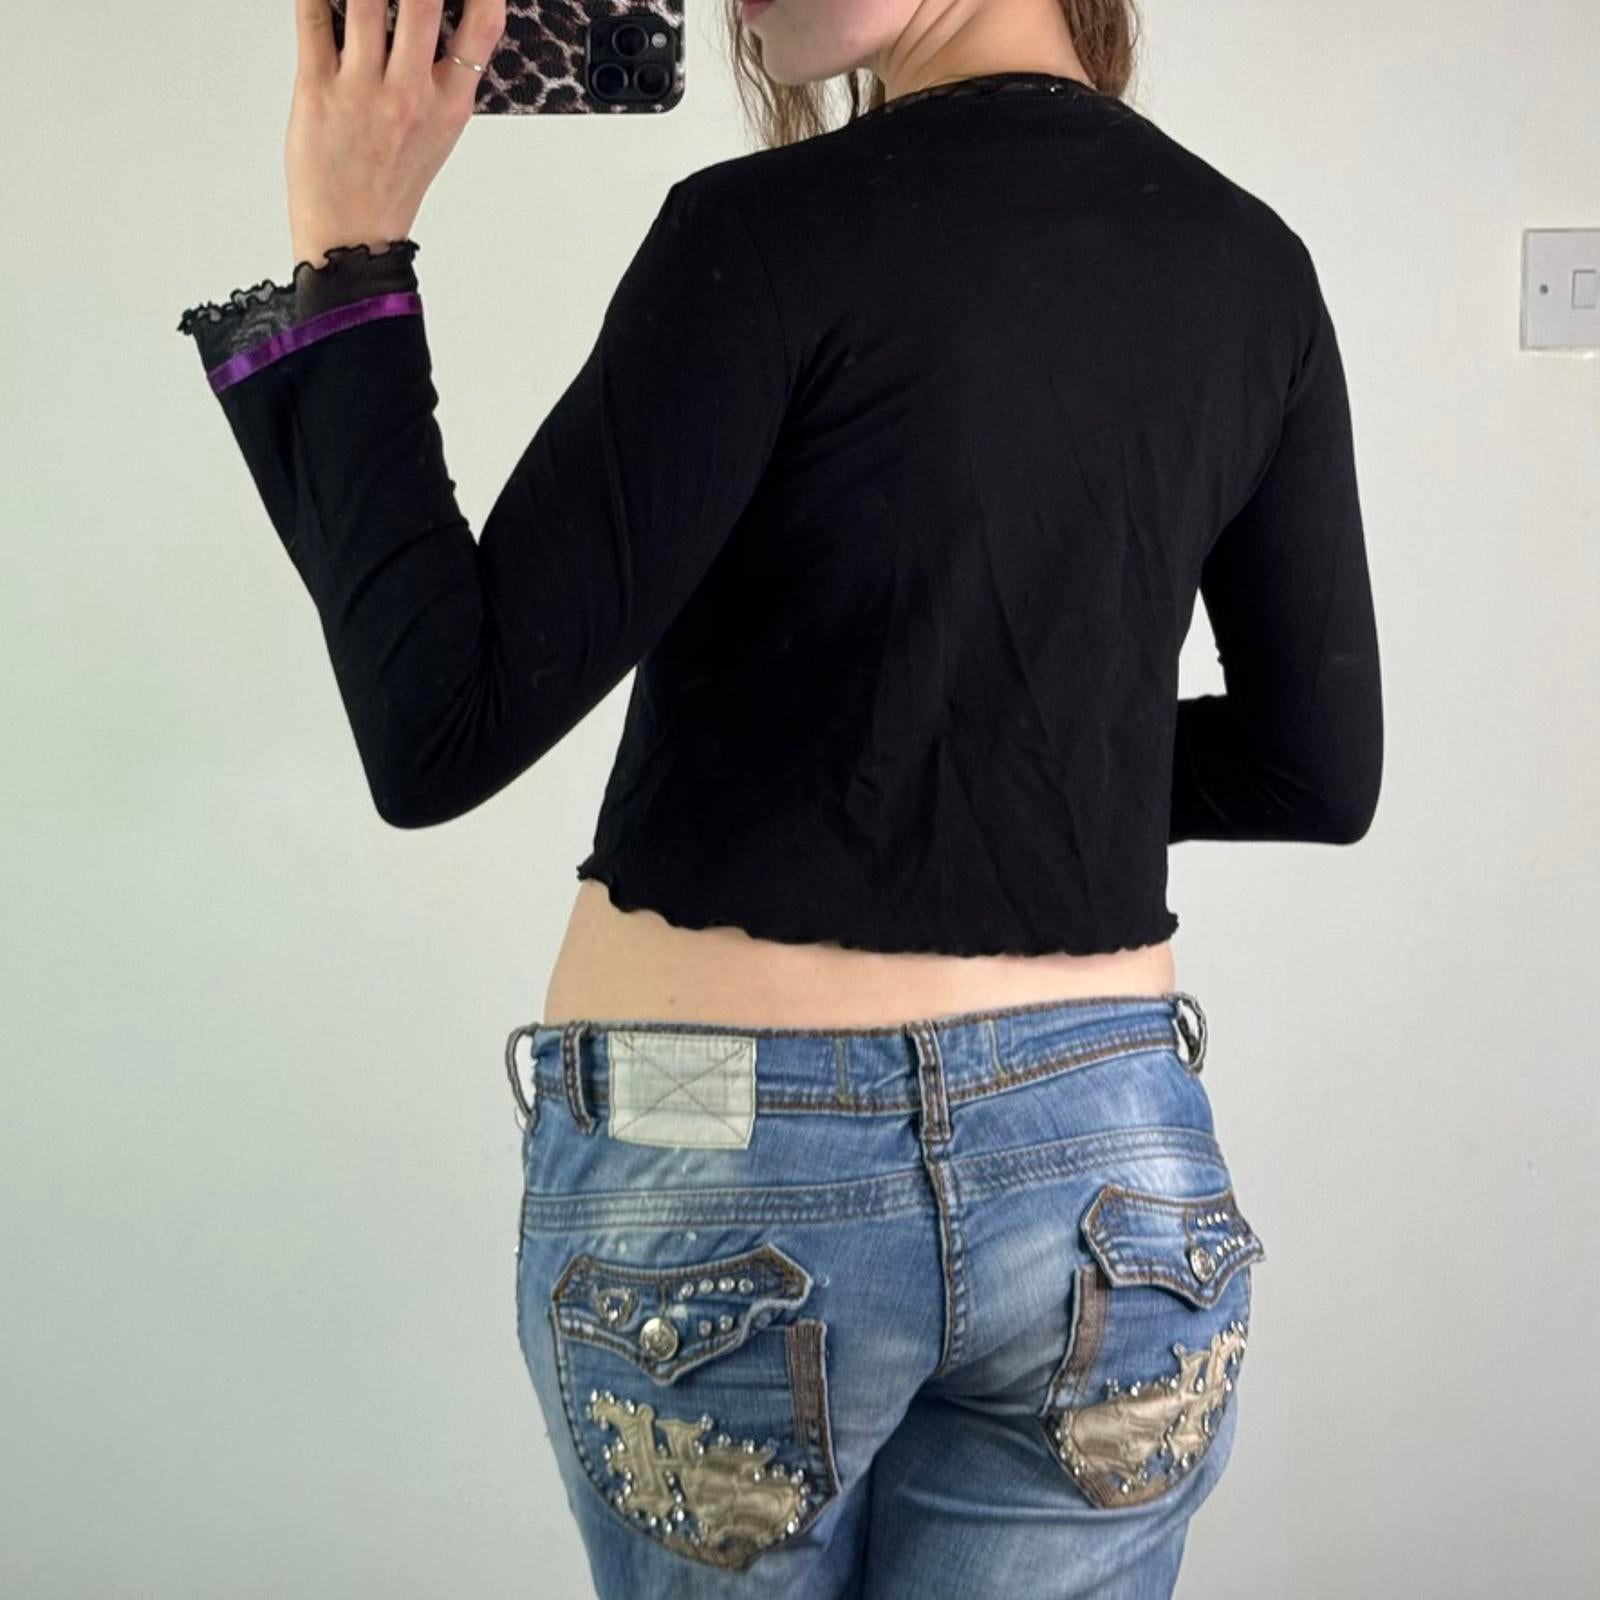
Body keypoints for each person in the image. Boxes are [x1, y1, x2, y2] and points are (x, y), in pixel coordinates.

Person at [178, 0, 1382, 1592]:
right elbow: (1315, 767)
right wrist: (979, 757)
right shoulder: (1254, 267)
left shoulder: (763, 235)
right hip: (1111, 1173)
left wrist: (351, 251)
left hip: (732, 1156)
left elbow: (438, 728)